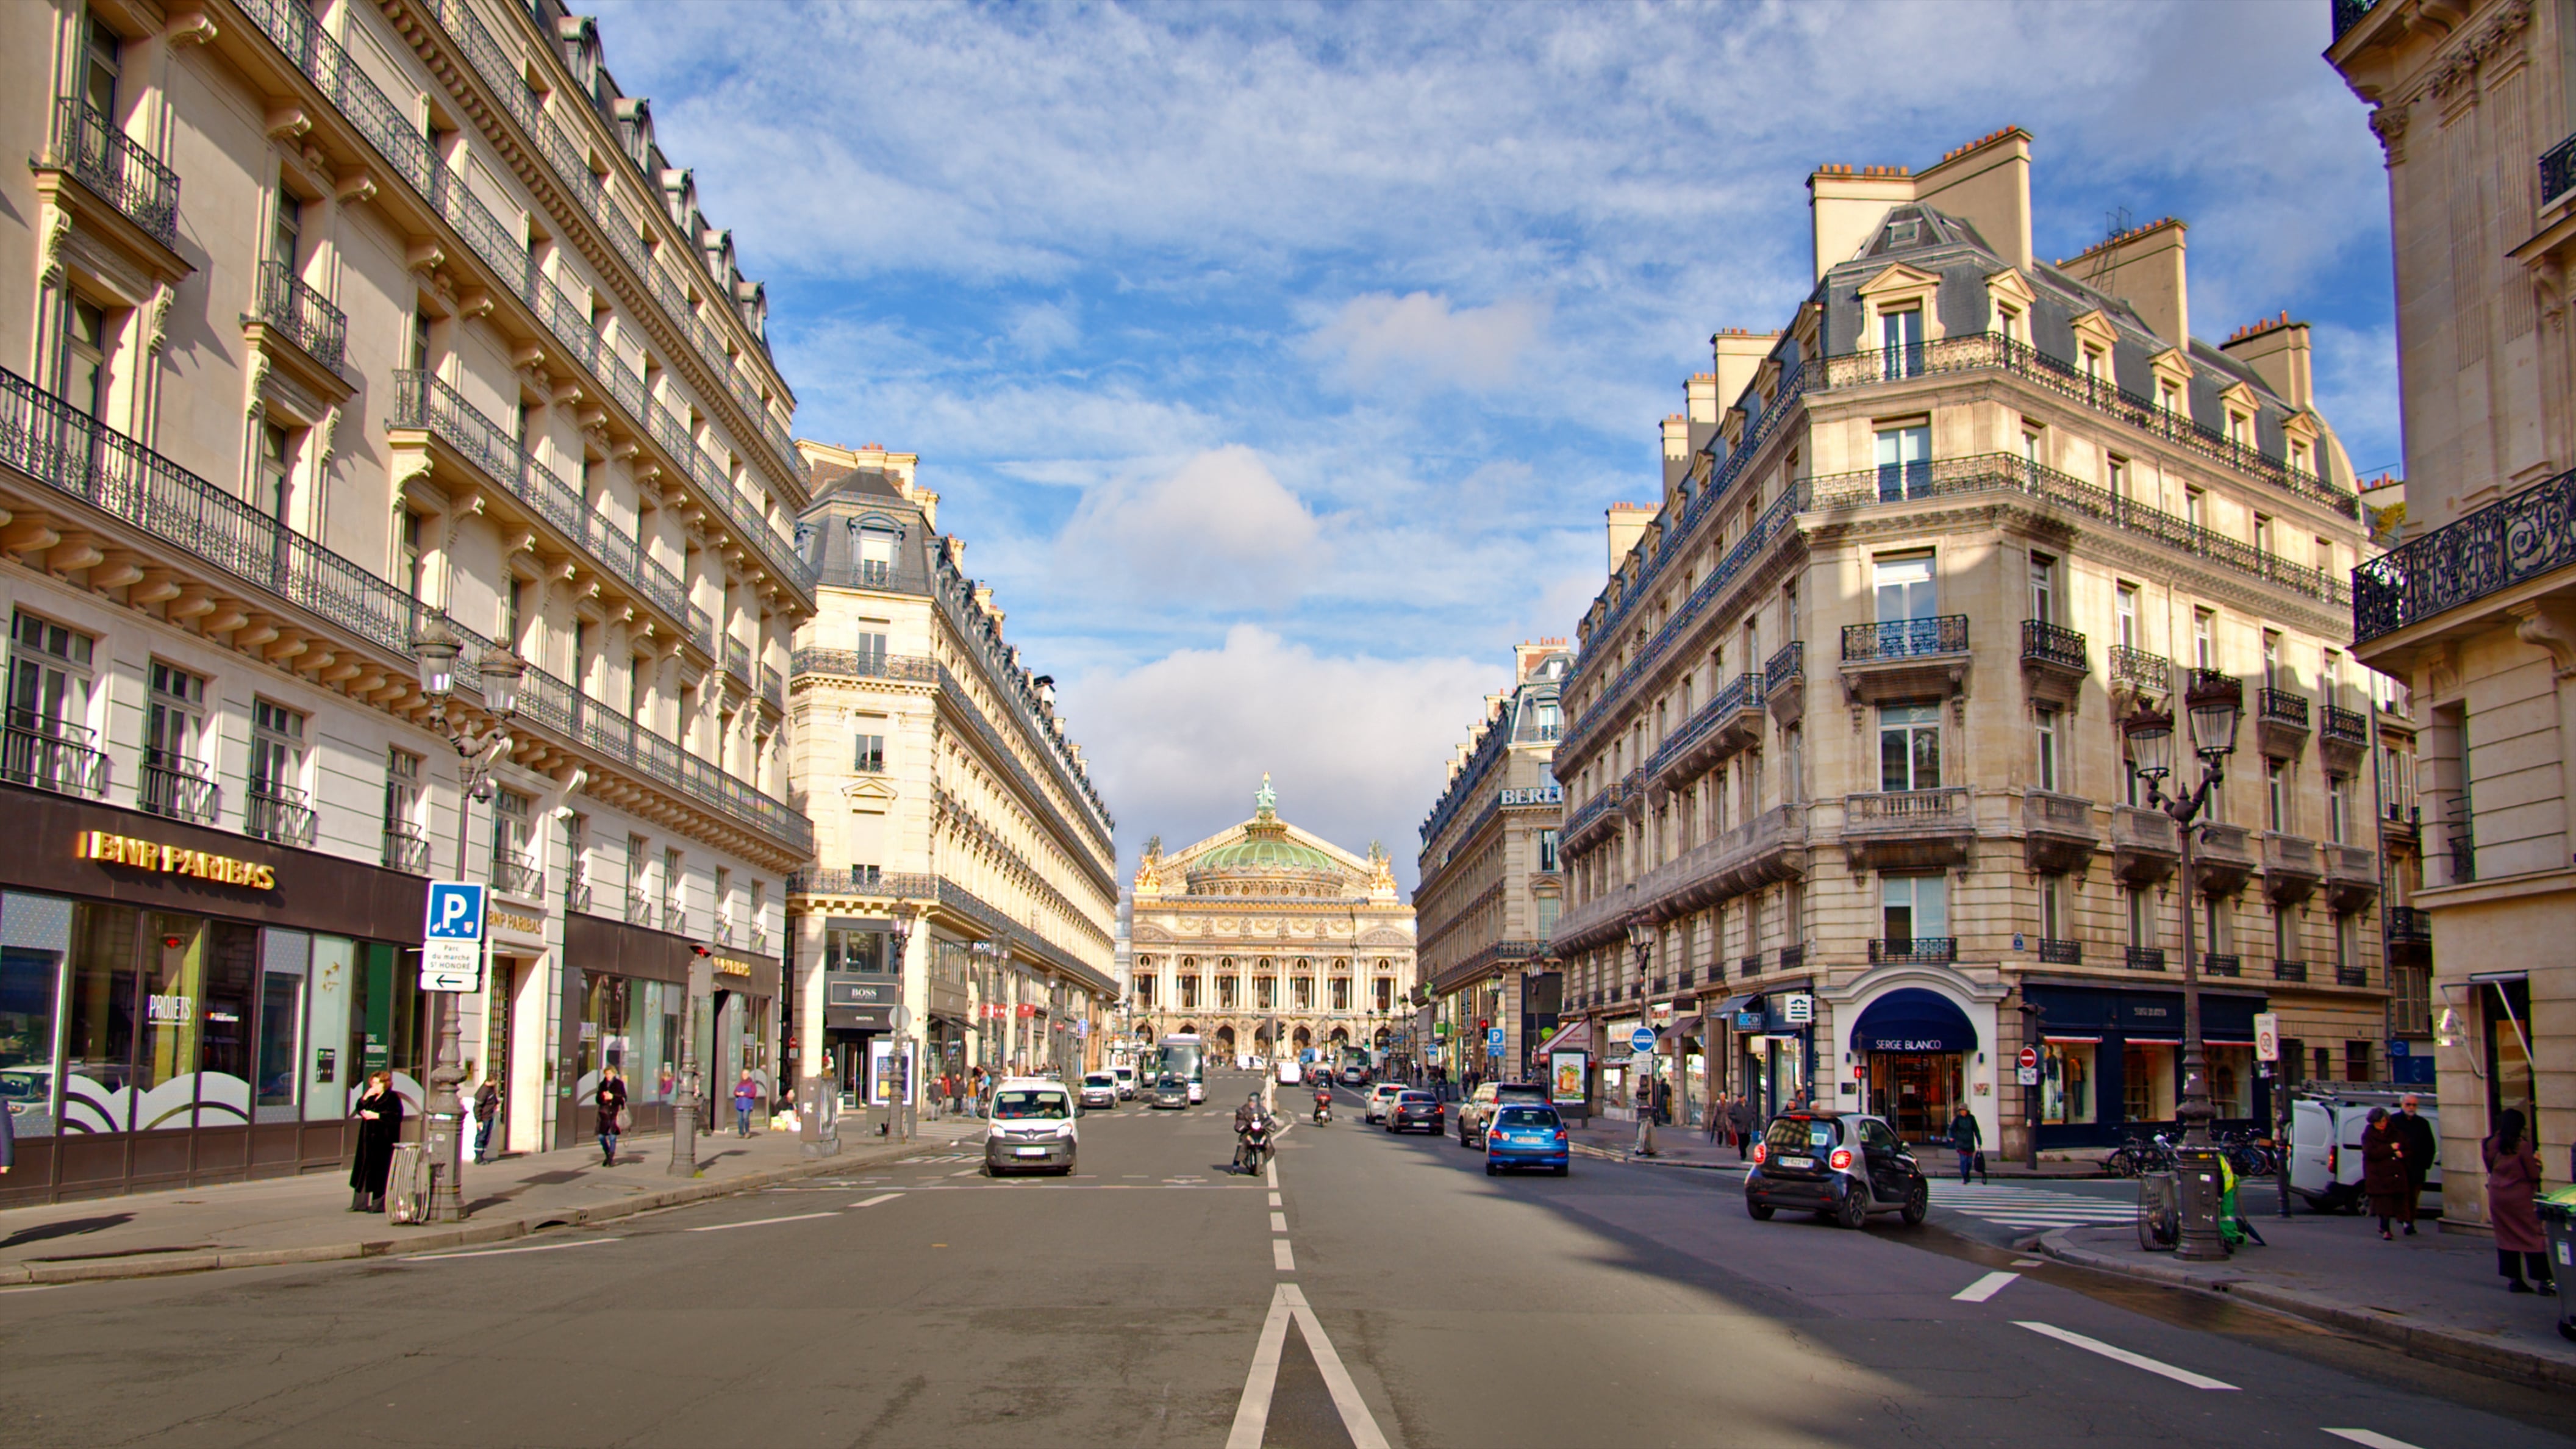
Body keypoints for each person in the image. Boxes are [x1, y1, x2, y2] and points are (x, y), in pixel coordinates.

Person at [2485, 1108, 2554, 1293]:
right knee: (2532, 1236)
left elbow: (2490, 1167)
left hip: (2497, 1195)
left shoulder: (2491, 1143)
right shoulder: (2522, 1145)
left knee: (2506, 1237)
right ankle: (2544, 1281)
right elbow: (2532, 1173)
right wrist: (2538, 1164)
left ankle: (2515, 1280)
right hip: (2520, 1196)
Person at [349, 1070, 403, 1212]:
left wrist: (377, 1116)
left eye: (377, 1083)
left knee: (380, 1172)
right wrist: (365, 1097)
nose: (374, 1086)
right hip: (367, 1140)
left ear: (385, 1084)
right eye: (372, 1083)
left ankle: (378, 1204)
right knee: (363, 1170)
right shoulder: (372, 1096)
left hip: (383, 1141)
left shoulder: (392, 1097)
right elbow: (359, 1108)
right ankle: (359, 1204)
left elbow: (396, 1116)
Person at [2361, 1106, 2412, 1240]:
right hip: (2378, 1175)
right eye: (2378, 1122)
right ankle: (2386, 1229)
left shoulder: (2396, 1133)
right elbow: (2371, 1153)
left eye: (2384, 1121)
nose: (2382, 1124)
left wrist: (2402, 1154)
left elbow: (2407, 1148)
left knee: (2399, 1201)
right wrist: (2390, 1148)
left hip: (2395, 1174)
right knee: (2384, 1204)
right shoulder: (2369, 1135)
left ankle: (2405, 1223)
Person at [2392, 1094, 2436, 1236]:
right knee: (2402, 1195)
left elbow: (2430, 1145)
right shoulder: (2394, 1121)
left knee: (2414, 1196)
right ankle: (2405, 1220)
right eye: (2408, 1104)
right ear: (2402, 1105)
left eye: (2414, 1105)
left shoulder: (2422, 1123)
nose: (2411, 1108)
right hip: (2400, 1166)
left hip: (2417, 1167)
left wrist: (2426, 1164)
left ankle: (2410, 1221)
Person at [596, 1065, 628, 1168]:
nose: (608, 1076)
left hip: (615, 1113)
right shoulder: (602, 1084)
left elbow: (624, 1099)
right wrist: (603, 1097)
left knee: (612, 1136)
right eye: (606, 1074)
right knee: (601, 1137)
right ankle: (608, 1154)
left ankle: (610, 1158)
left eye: (609, 1074)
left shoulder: (619, 1084)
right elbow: (597, 1099)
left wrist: (613, 1097)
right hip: (604, 1114)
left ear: (614, 1074)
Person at [1948, 1105, 1983, 1186]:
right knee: (1963, 1160)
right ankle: (1964, 1176)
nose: (1963, 1112)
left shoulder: (1971, 1118)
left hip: (1970, 1142)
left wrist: (1979, 1141)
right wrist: (1951, 1137)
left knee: (1969, 1162)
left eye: (1964, 1110)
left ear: (1967, 1111)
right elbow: (1951, 1129)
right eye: (1961, 1111)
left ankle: (1967, 1174)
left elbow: (1976, 1130)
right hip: (1961, 1142)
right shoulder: (1957, 1119)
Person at [472, 1075, 501, 1164]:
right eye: (496, 1081)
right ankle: (478, 1158)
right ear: (492, 1080)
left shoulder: (491, 1089)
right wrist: (479, 1120)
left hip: (489, 1116)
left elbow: (493, 1099)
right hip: (484, 1118)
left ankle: (482, 1156)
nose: (496, 1083)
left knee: (486, 1137)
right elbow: (477, 1107)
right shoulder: (483, 1091)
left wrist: (496, 1104)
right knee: (481, 1137)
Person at [732, 1070, 760, 1137]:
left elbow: (753, 1094)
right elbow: (735, 1092)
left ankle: (747, 1132)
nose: (744, 1076)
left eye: (746, 1074)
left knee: (746, 1118)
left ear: (748, 1075)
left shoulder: (752, 1084)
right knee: (740, 1119)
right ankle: (741, 1133)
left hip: (747, 1104)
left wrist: (744, 1094)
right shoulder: (740, 1084)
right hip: (739, 1104)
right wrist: (737, 1093)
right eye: (743, 1074)